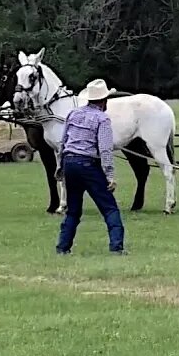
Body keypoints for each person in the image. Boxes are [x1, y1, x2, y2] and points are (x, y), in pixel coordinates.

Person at [56, 79, 125, 255]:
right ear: (104, 100)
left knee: (73, 210)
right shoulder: (102, 118)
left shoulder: (73, 114)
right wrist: (109, 175)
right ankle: (116, 247)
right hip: (88, 164)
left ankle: (63, 247)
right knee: (109, 207)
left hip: (70, 163)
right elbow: (105, 149)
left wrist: (60, 167)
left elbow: (63, 142)